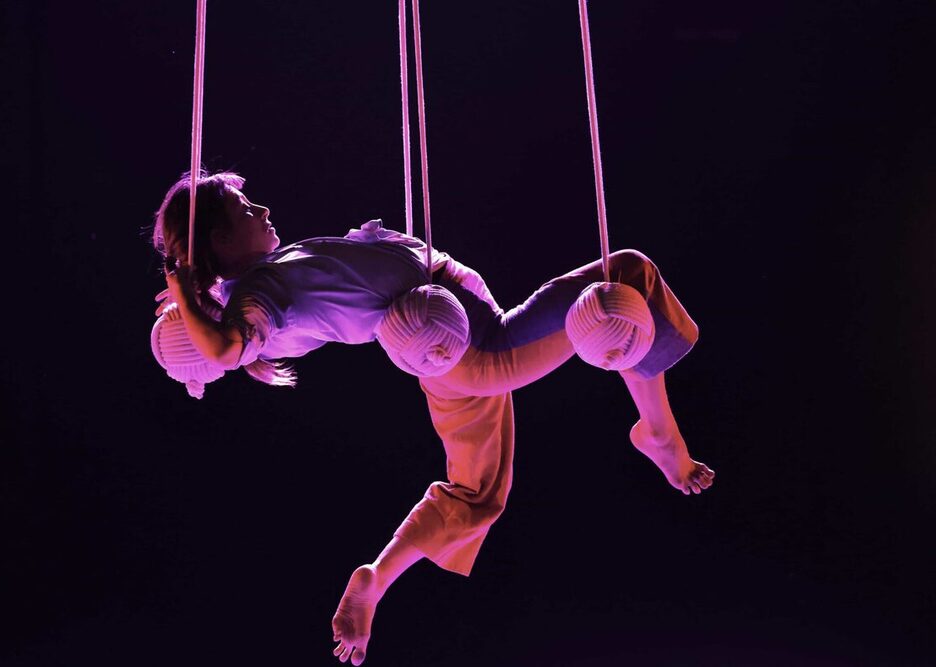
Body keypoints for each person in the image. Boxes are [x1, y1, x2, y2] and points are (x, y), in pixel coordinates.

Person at [152, 171, 714, 666]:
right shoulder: (261, 295)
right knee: (627, 281)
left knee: (477, 491)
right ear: (222, 239)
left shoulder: (260, 278)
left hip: (448, 354)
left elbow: (228, 330)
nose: (264, 210)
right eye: (247, 210)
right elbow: (227, 351)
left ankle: (377, 577)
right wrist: (183, 288)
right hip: (478, 347)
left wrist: (196, 300)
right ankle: (659, 432)